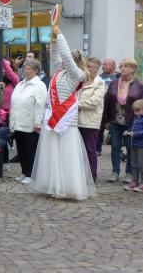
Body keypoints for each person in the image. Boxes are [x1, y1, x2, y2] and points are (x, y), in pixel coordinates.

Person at [30, 25, 95, 200]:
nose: (64, 61)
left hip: (66, 121)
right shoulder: (60, 71)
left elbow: (65, 55)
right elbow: (56, 55)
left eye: (68, 60)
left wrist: (60, 35)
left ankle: (67, 187)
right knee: (53, 154)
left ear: (74, 61)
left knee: (65, 155)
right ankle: (53, 185)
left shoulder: (77, 74)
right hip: (53, 118)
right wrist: (53, 41)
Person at [102, 59, 143, 183]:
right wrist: (106, 120)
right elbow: (107, 102)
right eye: (121, 66)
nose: (122, 69)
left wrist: (141, 121)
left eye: (126, 66)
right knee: (115, 146)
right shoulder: (113, 83)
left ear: (133, 69)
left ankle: (129, 173)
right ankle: (115, 171)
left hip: (132, 121)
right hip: (115, 120)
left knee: (130, 147)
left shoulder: (140, 85)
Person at [9, 59, 48, 184]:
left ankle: (31, 174)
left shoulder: (39, 85)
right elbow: (14, 103)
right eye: (25, 68)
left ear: (36, 71)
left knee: (30, 150)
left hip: (30, 123)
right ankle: (24, 172)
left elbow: (40, 105)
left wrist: (38, 122)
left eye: (28, 69)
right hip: (18, 121)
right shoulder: (20, 84)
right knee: (21, 150)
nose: (26, 71)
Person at [77, 57, 107, 182]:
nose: (88, 69)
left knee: (90, 150)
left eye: (91, 66)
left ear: (97, 69)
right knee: (78, 150)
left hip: (90, 121)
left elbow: (93, 103)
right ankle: (79, 175)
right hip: (75, 121)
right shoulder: (81, 81)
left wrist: (74, 104)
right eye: (87, 66)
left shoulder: (100, 83)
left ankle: (91, 176)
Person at [124, 99, 143, 192]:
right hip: (134, 144)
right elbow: (132, 128)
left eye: (137, 110)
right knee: (133, 164)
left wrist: (135, 134)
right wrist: (128, 131)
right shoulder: (136, 118)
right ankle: (135, 181)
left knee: (141, 165)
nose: (135, 113)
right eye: (134, 111)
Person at [96, 58, 119, 155]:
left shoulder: (119, 77)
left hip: (114, 107)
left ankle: (117, 150)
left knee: (115, 130)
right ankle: (97, 149)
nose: (103, 66)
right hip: (101, 106)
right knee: (99, 129)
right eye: (103, 64)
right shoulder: (98, 77)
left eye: (106, 64)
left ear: (113, 66)